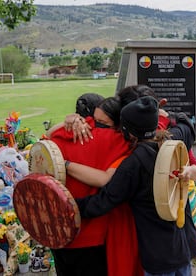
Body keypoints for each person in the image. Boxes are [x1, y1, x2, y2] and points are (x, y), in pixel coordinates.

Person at [75, 96, 196, 275]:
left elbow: (104, 201)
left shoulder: (133, 164)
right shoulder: (170, 141)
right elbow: (187, 125)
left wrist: (70, 204)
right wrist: (168, 114)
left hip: (158, 255)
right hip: (182, 247)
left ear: (128, 132)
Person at [49, 94, 132, 276]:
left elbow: (44, 144)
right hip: (92, 233)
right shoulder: (121, 142)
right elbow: (104, 180)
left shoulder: (66, 131)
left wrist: (70, 121)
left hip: (58, 227)